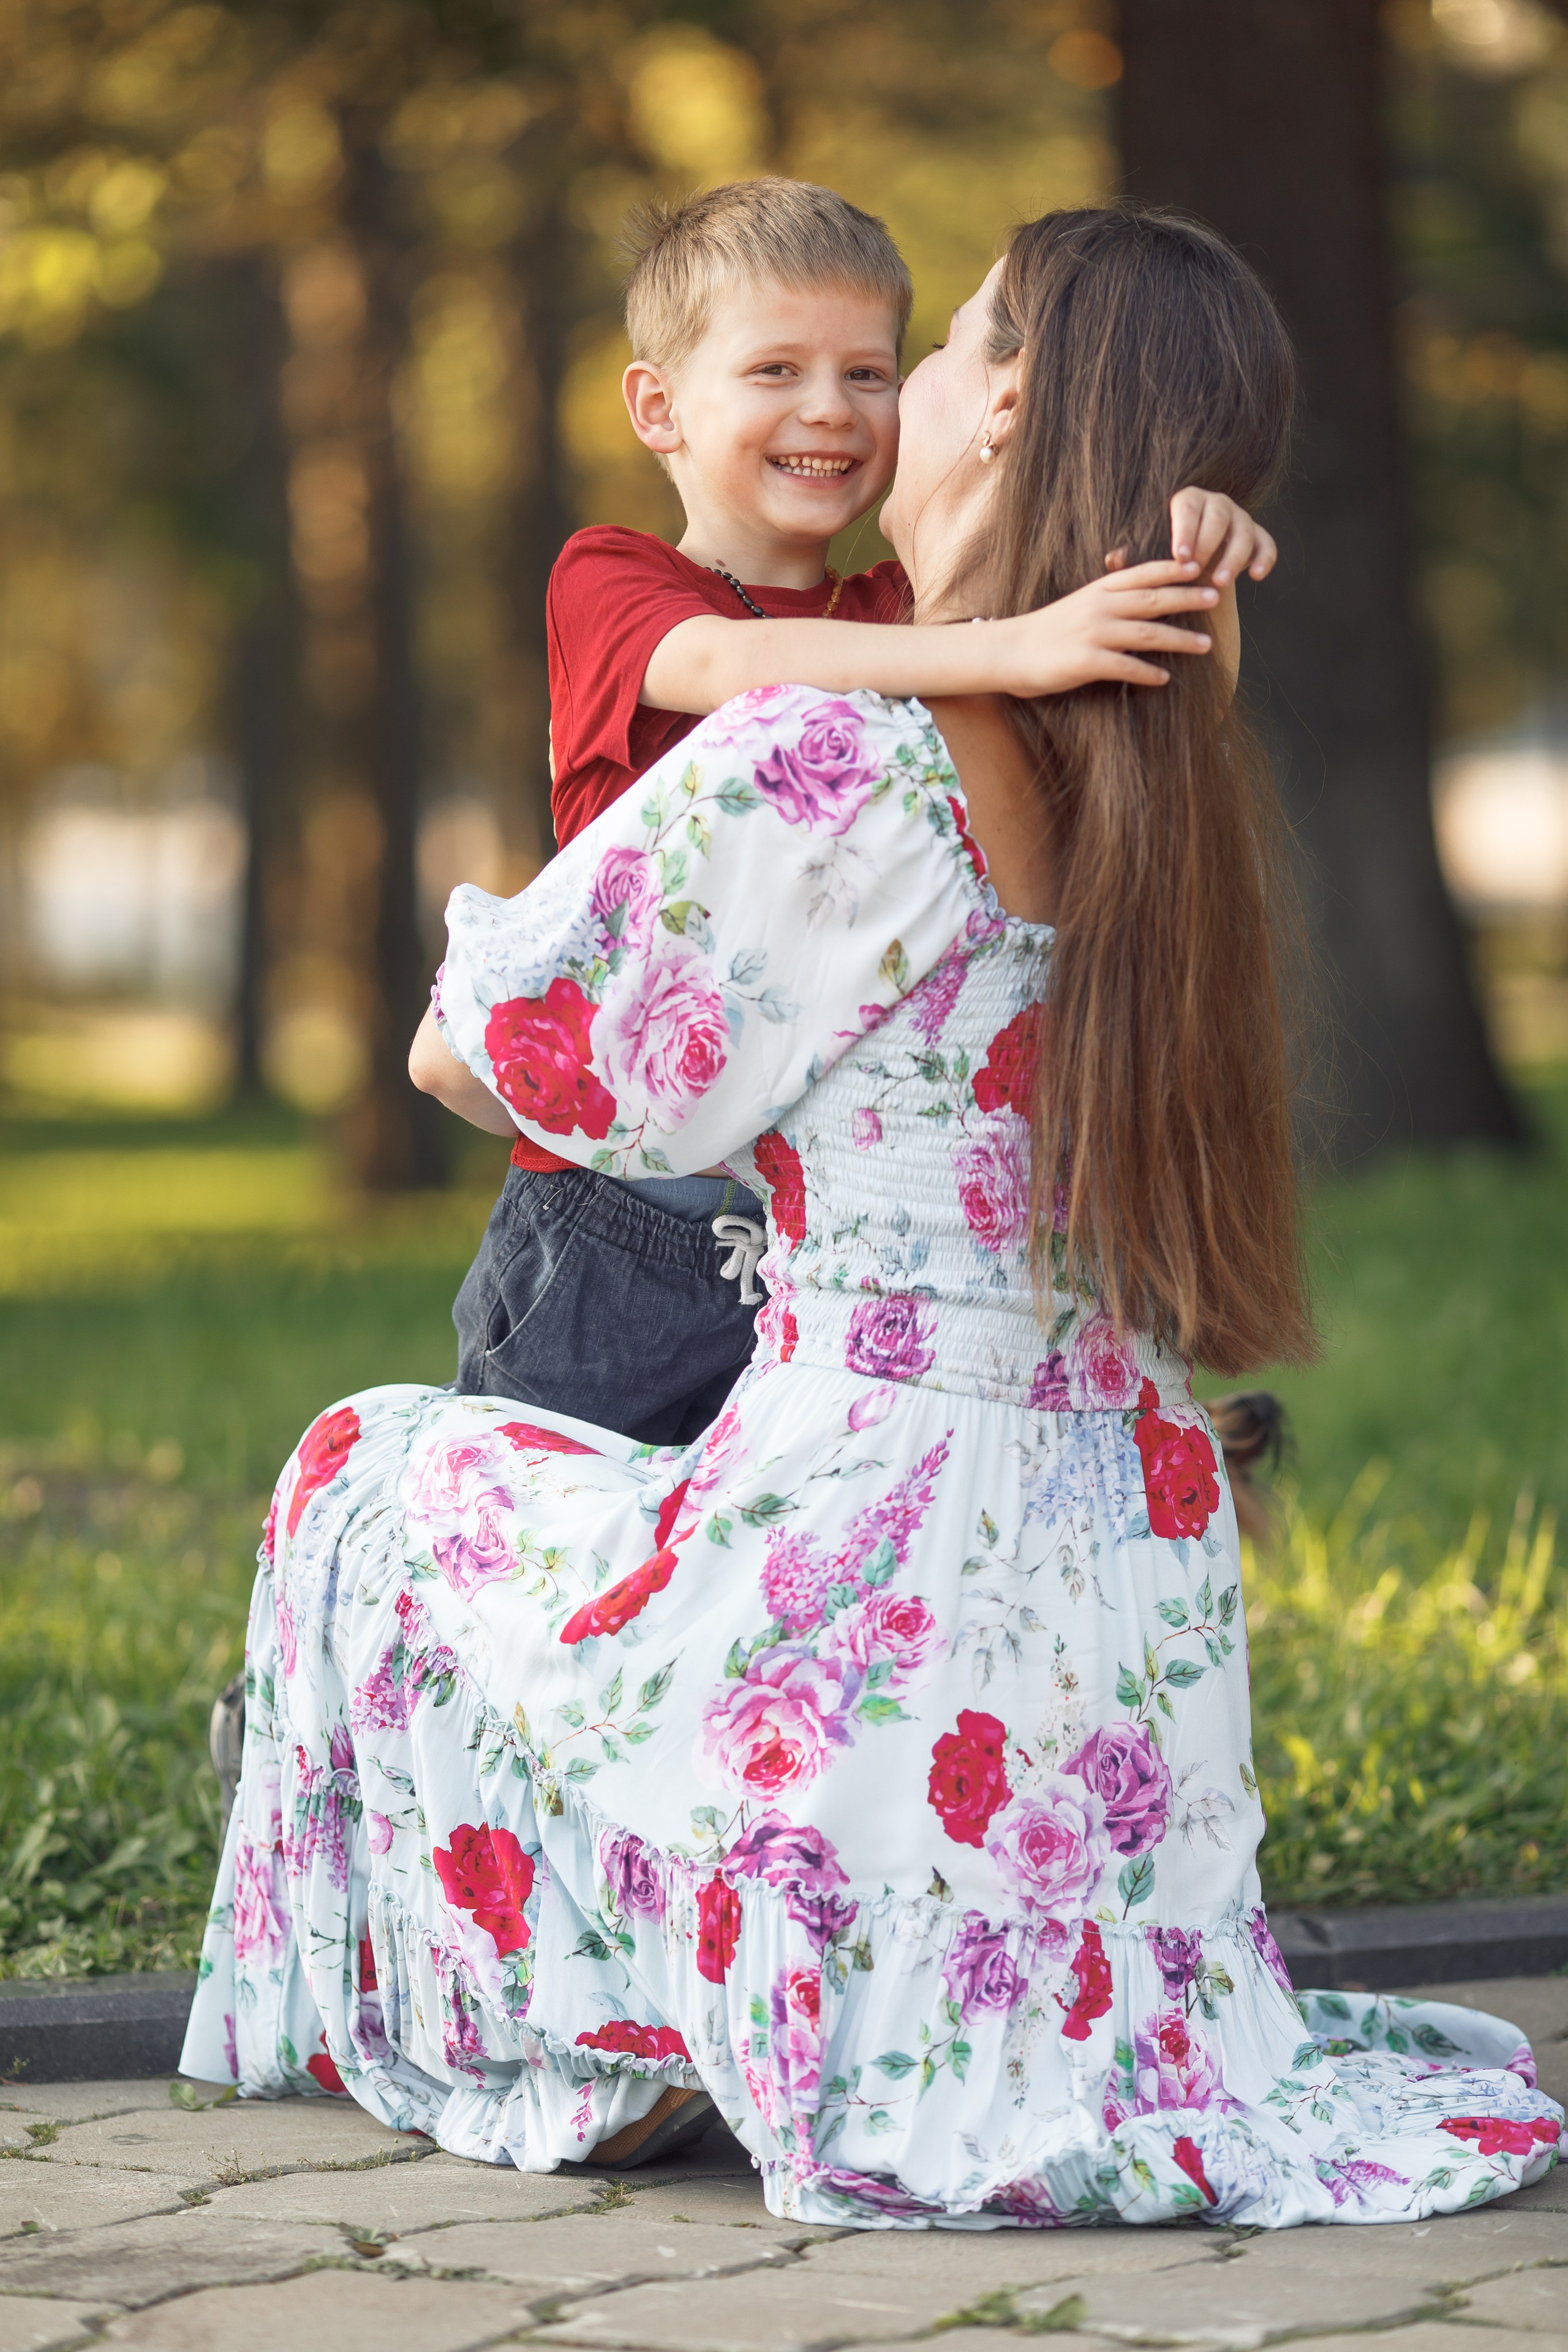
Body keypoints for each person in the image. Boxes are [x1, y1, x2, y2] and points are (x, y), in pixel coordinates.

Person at [182, 207, 1561, 2226]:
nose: (870, 396)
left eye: (928, 350)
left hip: (873, 1564)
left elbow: (475, 1066)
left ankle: (614, 2003)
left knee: (369, 1477)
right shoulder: (1152, 760)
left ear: (994, 401)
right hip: (1111, 1597)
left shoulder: (839, 750)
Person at [432, 177, 1275, 1450]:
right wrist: (1013, 649)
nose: (828, 409)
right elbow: (724, 672)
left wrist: (1187, 537)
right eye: (773, 370)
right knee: (533, 1503)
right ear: (657, 407)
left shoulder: (898, 615)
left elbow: (1150, 710)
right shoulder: (614, 575)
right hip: (615, 1203)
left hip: (798, 1215)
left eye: (873, 373)